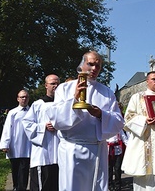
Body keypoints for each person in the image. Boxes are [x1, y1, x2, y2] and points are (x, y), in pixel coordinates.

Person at [46, 51, 124, 191]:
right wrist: (74, 99)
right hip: (72, 149)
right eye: (90, 64)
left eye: (98, 66)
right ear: (81, 65)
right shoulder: (64, 89)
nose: (94, 68)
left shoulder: (107, 92)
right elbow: (57, 120)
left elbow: (118, 121)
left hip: (97, 150)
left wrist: (101, 114)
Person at [121, 71, 155, 191]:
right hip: (144, 141)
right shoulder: (137, 97)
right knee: (145, 174)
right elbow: (128, 118)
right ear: (147, 81)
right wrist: (144, 120)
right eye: (153, 79)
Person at [22, 74, 60, 191]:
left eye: (58, 83)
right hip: (43, 153)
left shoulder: (63, 104)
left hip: (60, 153)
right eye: (53, 83)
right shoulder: (38, 104)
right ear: (46, 85)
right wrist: (43, 126)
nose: (56, 86)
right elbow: (27, 124)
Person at [0, 90, 32, 191]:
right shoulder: (13, 112)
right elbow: (7, 128)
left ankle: (22, 187)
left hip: (28, 145)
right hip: (15, 145)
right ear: (18, 99)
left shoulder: (32, 111)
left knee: (25, 168)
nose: (24, 99)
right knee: (15, 168)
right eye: (22, 97)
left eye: (26, 97)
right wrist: (5, 144)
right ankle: (15, 186)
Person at [107, 103, 128, 191]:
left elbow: (124, 137)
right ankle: (109, 183)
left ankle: (118, 184)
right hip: (108, 150)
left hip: (117, 149)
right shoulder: (105, 126)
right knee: (109, 168)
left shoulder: (118, 128)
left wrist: (129, 146)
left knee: (117, 167)